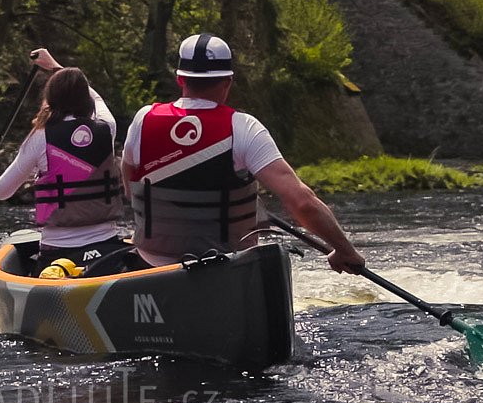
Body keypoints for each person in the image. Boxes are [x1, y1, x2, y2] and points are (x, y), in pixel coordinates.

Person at [121, 32, 366, 273]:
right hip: (225, 267)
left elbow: (130, 187)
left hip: (151, 266)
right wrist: (344, 250)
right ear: (228, 81)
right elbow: (301, 202)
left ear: (180, 79)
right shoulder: (244, 128)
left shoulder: (143, 120)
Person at [0, 49, 128, 275]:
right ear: (85, 98)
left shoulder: (40, 137)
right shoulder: (107, 127)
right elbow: (97, 98)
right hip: (107, 247)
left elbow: (2, 191)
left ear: (50, 99)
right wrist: (56, 67)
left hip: (59, 253)